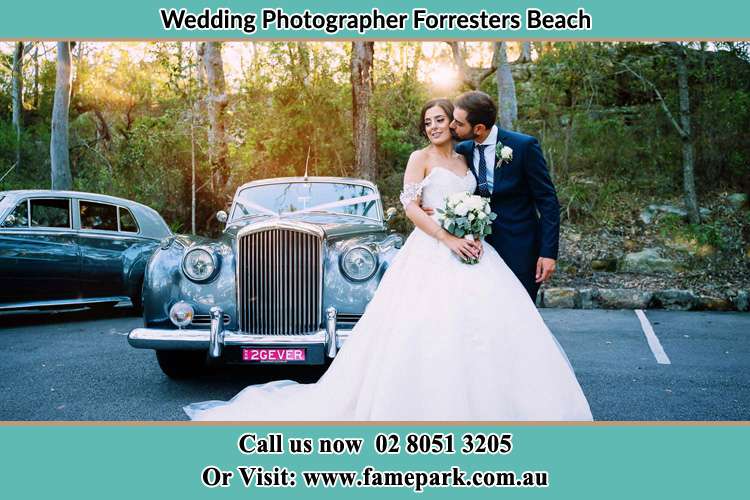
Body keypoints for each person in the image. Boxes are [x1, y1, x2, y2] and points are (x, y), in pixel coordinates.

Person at [183, 98, 592, 421]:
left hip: (475, 250)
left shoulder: (467, 156)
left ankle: (495, 401)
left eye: (440, 120)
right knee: (423, 331)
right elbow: (413, 208)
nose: (433, 126)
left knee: (485, 328)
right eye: (427, 121)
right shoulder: (420, 158)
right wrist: (448, 237)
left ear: (454, 124)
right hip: (434, 250)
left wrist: (470, 226)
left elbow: (478, 198)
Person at [450, 91, 559, 302]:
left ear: (479, 128)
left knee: (520, 311)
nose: (452, 126)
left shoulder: (523, 147)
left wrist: (548, 253)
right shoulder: (463, 150)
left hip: (520, 247)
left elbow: (548, 201)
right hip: (479, 248)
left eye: (458, 123)